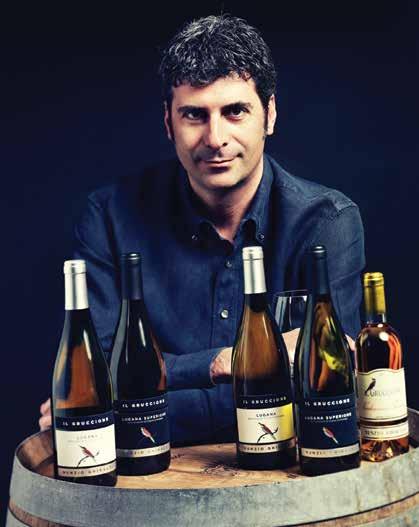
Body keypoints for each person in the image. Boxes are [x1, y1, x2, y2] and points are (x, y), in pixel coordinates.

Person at [39, 15, 365, 444]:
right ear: (168, 123)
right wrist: (225, 363)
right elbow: (92, 376)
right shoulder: (107, 217)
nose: (215, 138)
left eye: (235, 112)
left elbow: (329, 393)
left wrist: (132, 406)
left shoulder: (328, 222)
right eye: (195, 114)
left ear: (269, 115)